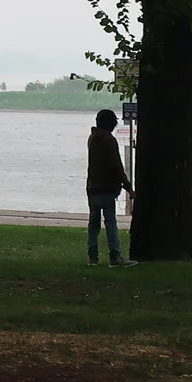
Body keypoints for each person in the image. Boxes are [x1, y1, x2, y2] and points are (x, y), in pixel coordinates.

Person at [86, 106, 132, 265]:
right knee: (110, 222)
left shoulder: (92, 139)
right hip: (106, 188)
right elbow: (116, 165)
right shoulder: (109, 140)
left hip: (92, 187)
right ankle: (115, 256)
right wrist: (128, 187)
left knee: (93, 223)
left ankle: (92, 257)